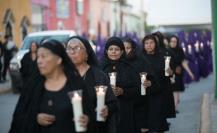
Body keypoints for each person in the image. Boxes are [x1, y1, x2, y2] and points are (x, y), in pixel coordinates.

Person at [9, 39, 90, 133]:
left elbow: (89, 112)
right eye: (38, 57)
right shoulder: (33, 86)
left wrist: (87, 119)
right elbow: (20, 117)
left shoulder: (75, 84)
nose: (39, 61)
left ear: (59, 60)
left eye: (44, 56)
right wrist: (35, 118)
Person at [66, 36, 118, 133]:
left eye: (76, 48)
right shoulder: (62, 75)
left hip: (95, 128)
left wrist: (107, 109)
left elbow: (113, 103)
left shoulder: (99, 76)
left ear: (86, 54)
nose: (72, 52)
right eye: (69, 48)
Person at [101, 37, 139, 133]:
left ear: (122, 52)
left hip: (125, 109)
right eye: (111, 49)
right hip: (106, 110)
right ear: (106, 51)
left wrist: (123, 91)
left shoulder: (129, 68)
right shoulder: (100, 68)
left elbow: (137, 89)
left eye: (117, 49)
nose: (113, 52)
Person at [123, 37, 155, 133]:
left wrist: (149, 82)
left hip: (141, 101)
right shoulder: (118, 62)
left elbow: (152, 78)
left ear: (133, 48)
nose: (125, 51)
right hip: (125, 102)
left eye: (128, 48)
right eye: (123, 48)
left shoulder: (141, 60)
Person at [142, 34, 170, 133]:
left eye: (151, 42)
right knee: (146, 124)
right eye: (146, 43)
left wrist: (170, 73)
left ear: (156, 44)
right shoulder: (140, 58)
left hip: (159, 93)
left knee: (158, 123)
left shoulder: (161, 57)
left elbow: (167, 75)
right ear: (143, 45)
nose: (149, 45)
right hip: (145, 94)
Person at [169, 35, 194, 113]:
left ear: (177, 42)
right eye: (172, 41)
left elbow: (183, 62)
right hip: (171, 73)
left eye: (175, 41)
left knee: (176, 91)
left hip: (179, 73)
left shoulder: (180, 50)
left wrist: (190, 73)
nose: (173, 43)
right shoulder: (166, 51)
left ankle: (175, 105)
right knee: (174, 91)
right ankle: (174, 108)